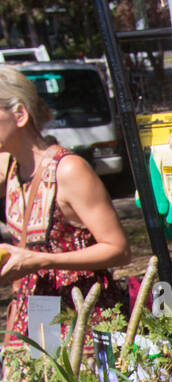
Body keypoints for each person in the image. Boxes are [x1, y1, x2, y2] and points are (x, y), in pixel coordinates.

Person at [0, 66, 130, 357]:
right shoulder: (9, 168)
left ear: (20, 115)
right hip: (37, 315)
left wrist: (43, 260)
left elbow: (120, 250)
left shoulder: (69, 170)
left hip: (81, 315)